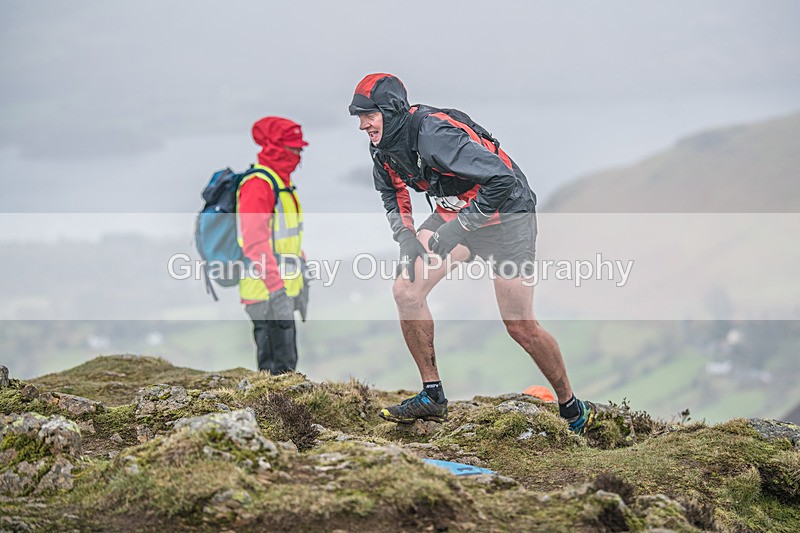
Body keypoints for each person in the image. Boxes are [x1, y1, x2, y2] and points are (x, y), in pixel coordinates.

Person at [348, 73, 596, 434]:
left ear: (390, 109)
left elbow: (502, 179)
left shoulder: (434, 135)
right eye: (358, 117)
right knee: (406, 291)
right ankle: (432, 395)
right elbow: (392, 191)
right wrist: (405, 235)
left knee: (521, 327)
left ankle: (572, 407)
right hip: (459, 211)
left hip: (508, 216)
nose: (362, 125)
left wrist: (459, 227)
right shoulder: (383, 144)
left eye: (368, 115)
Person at [237, 116, 309, 374]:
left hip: (281, 289)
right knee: (276, 372)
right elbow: (255, 244)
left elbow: (286, 240)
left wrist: (301, 278)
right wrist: (277, 290)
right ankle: (266, 415)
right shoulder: (259, 185)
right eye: (295, 148)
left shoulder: (282, 185)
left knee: (286, 367)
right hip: (265, 292)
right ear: (277, 148)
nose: (299, 155)